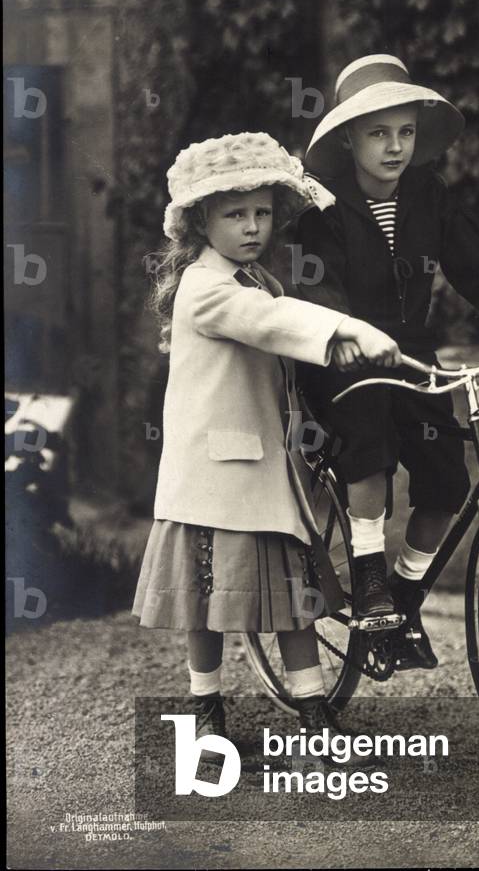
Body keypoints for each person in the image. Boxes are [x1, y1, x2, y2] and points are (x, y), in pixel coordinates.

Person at [293, 54, 479, 670]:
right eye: (378, 133)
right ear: (348, 138)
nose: (394, 148)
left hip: (411, 351)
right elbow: (315, 285)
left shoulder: (428, 194)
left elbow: (477, 264)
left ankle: (406, 596)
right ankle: (368, 582)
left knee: (446, 475)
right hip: (339, 351)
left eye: (405, 132)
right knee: (367, 440)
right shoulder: (322, 206)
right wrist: (345, 332)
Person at [131, 131, 402, 752]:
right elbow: (272, 326)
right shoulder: (207, 288)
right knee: (206, 603)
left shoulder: (256, 278)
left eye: (261, 212)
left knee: (291, 599)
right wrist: (345, 327)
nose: (252, 226)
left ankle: (311, 706)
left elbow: (282, 338)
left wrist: (338, 355)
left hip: (267, 470)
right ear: (202, 223)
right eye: (234, 214)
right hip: (215, 476)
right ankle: (206, 705)